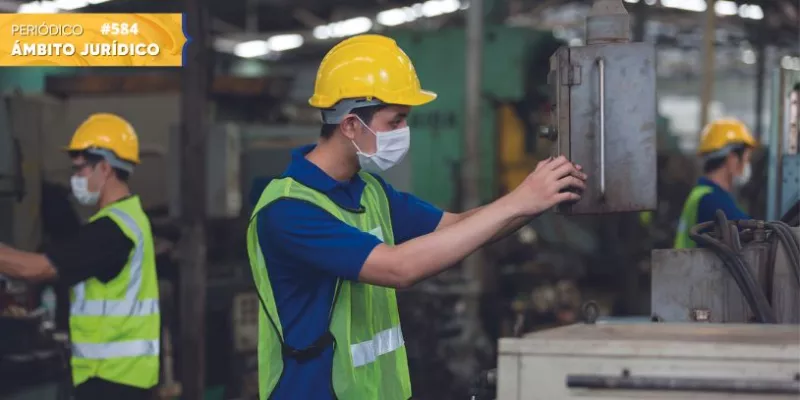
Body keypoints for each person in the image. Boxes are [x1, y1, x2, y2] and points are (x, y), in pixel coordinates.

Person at [247, 34, 587, 400]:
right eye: (395, 121)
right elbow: (399, 268)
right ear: (349, 125)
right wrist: (521, 199)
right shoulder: (289, 210)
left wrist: (538, 198)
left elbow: (459, 227)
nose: (403, 133)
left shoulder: (369, 191)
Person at [0, 113, 160, 400]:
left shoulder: (113, 230)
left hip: (114, 381)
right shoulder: (126, 219)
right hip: (117, 377)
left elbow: (37, 268)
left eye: (80, 170)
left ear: (105, 168)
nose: (75, 179)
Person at [674, 118, 757, 248]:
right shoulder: (712, 200)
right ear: (732, 159)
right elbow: (753, 234)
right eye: (746, 159)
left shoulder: (702, 193)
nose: (747, 165)